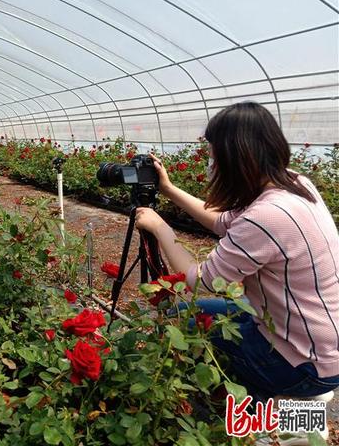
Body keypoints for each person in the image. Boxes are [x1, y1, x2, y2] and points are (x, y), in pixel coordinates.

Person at [134, 102, 339, 402]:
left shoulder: (268, 215)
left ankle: (251, 413)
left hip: (304, 362)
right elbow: (222, 221)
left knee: (183, 326)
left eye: (215, 157)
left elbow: (199, 281)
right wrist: (169, 189)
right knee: (178, 311)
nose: (211, 165)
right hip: (310, 336)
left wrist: (161, 228)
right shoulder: (294, 183)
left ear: (236, 158)